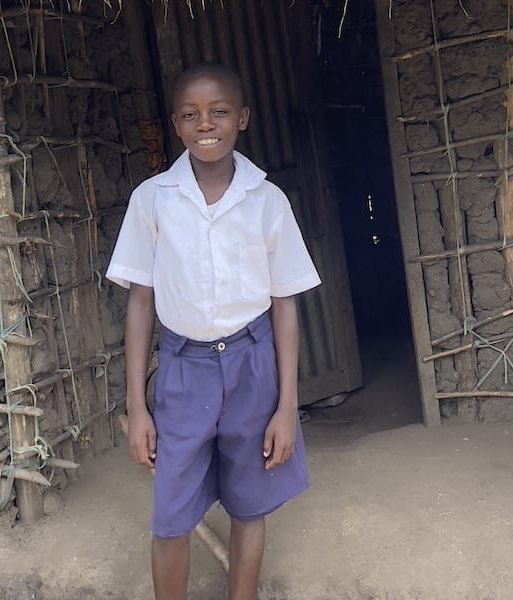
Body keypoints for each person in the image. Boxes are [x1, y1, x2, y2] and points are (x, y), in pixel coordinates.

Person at [106, 63, 321, 600]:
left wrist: (287, 406)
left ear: (242, 118)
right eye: (191, 115)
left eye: (219, 112)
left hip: (253, 366)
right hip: (183, 370)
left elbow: (284, 304)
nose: (206, 124)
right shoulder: (152, 200)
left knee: (250, 503)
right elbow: (140, 301)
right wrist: (137, 408)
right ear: (176, 125)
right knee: (171, 517)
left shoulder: (267, 201)